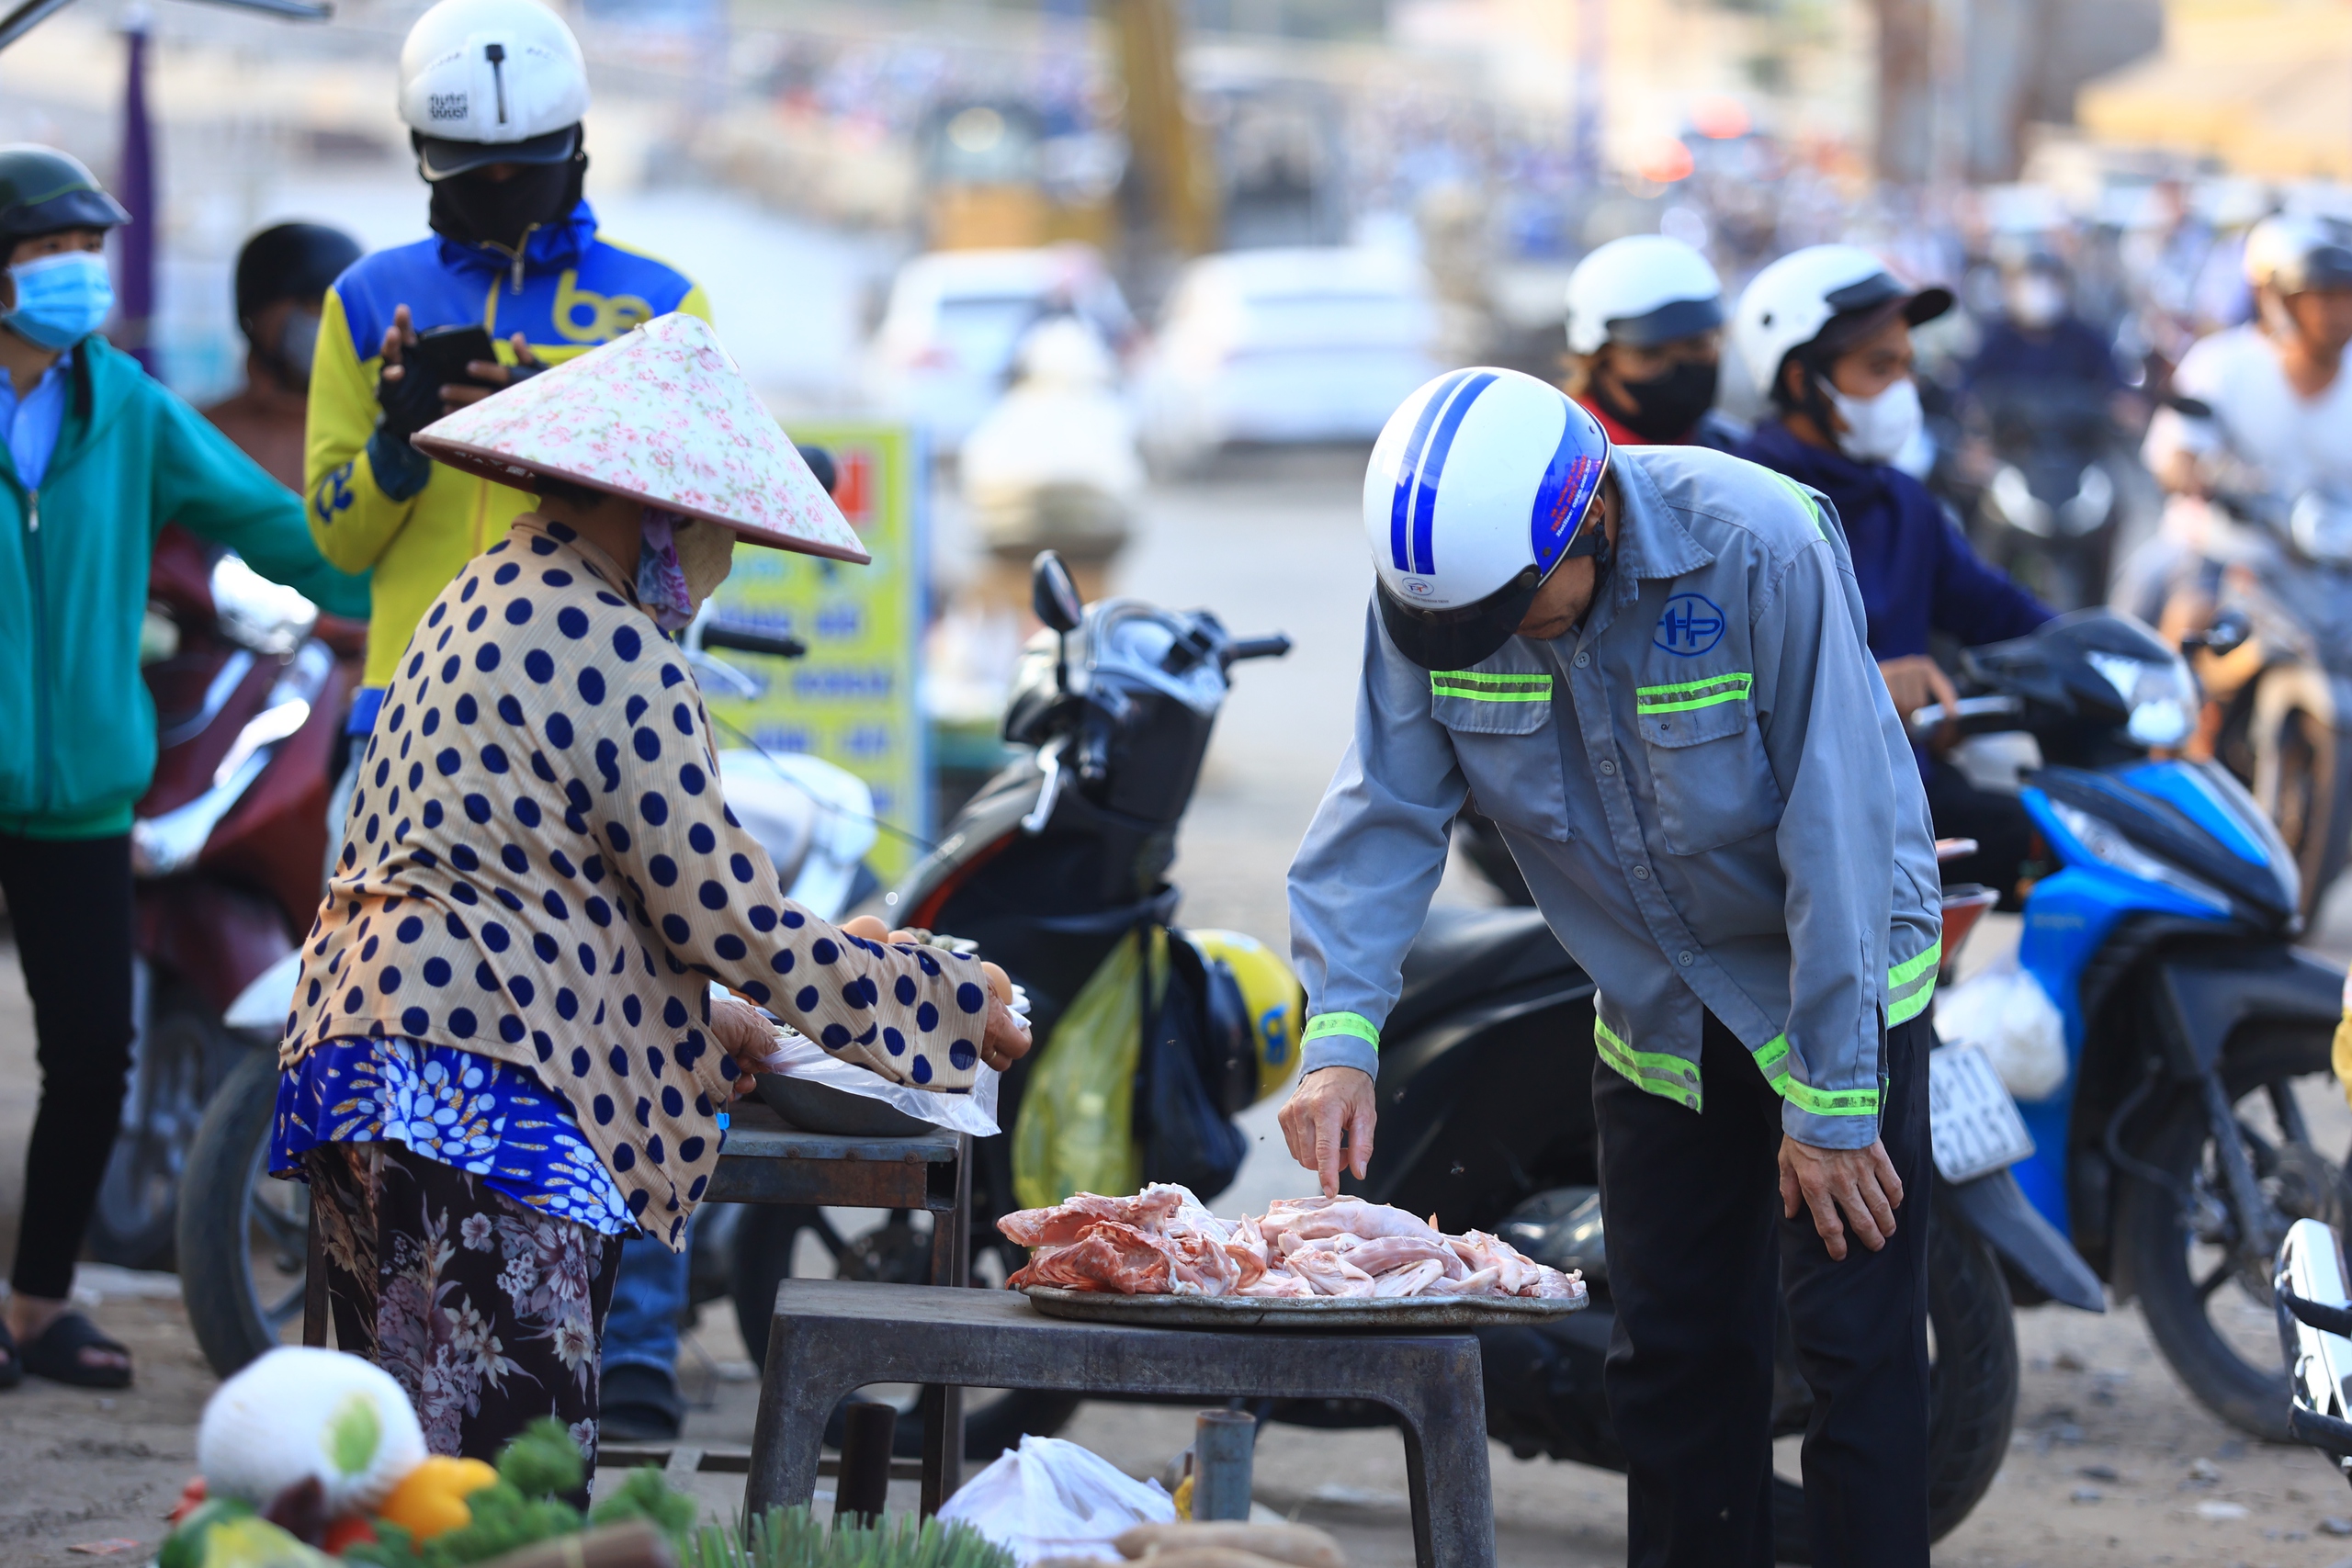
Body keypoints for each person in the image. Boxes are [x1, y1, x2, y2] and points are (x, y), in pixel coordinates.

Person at [272, 310, 1032, 1474]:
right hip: (480, 1082)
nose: (726, 561)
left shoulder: (484, 593)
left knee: (410, 1483)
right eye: (724, 533)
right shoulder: (618, 648)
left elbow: (551, 882)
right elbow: (726, 916)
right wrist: (937, 994)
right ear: (664, 520)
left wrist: (706, 1014)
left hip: (363, 1054)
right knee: (503, 1497)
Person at [1279, 366, 1941, 1567]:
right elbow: (1381, 809)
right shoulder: (1450, 596)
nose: (1498, 644)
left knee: (1854, 1356)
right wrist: (1341, 1036)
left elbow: (1840, 829)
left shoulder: (1760, 546)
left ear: (1589, 517)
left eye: (1519, 611)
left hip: (1830, 994)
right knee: (1675, 1363)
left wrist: (1838, 1103)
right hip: (1656, 1017)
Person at [302, 0, 713, 1439]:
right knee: (413, 1053)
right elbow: (336, 540)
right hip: (412, 735)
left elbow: (696, 515)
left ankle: (633, 1346)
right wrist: (414, 442)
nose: (499, 197)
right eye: (469, 176)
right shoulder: (369, 302)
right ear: (424, 164)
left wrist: (562, 427)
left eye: (523, 169)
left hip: (603, 724)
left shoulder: (660, 301)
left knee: (634, 1035)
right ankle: (389, 1369)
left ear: (578, 147)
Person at [0, 144, 366, 1392]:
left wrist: (421, 567)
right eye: (48, 252)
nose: (75, 276)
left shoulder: (129, 407)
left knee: (93, 1046)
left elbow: (281, 533)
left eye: (85, 253)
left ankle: (40, 1303)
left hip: (90, 789)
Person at [1731, 244, 2052, 903]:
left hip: (1913, 793)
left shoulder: (1904, 502)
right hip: (1791, 825)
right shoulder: (1741, 506)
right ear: (1799, 380)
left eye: (1908, 366)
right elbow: (1726, 673)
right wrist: (1868, 687)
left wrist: (2115, 659)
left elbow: (2001, 613)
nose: (1903, 389)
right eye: (1880, 368)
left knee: (2070, 846)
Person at [2130, 216, 2352, 632]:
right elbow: (2176, 452)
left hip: (2334, 567)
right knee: (2173, 619)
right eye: (2323, 298)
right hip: (2231, 554)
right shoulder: (2221, 363)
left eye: (2346, 298)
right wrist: (2202, 477)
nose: (2338, 314)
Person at [201, 222, 363, 490]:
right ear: (258, 316)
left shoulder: (385, 441)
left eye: (349, 309)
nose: (335, 325)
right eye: (316, 305)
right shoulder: (204, 438)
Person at [1561, 233, 1740, 449]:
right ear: (1595, 359)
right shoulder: (1558, 465)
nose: (1680, 374)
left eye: (1696, 345)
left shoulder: (1738, 452)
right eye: (1650, 354)